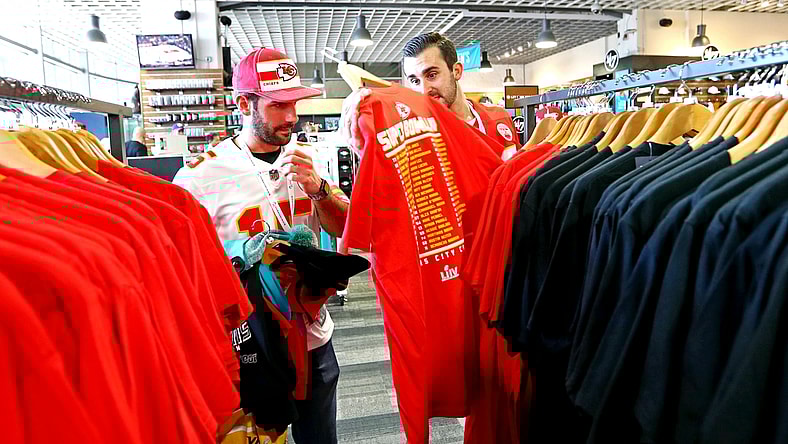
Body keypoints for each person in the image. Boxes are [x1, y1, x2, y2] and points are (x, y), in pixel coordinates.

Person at [172, 47, 348, 444]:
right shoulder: (199, 177)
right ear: (242, 103)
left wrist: (319, 190)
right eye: (277, 106)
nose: (291, 117)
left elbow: (342, 225)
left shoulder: (310, 156)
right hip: (250, 344)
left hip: (314, 335)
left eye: (295, 104)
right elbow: (186, 272)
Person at [341, 32, 521, 159]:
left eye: (432, 75)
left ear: (456, 71)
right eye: (414, 80)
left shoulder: (499, 118)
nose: (424, 90)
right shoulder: (411, 138)